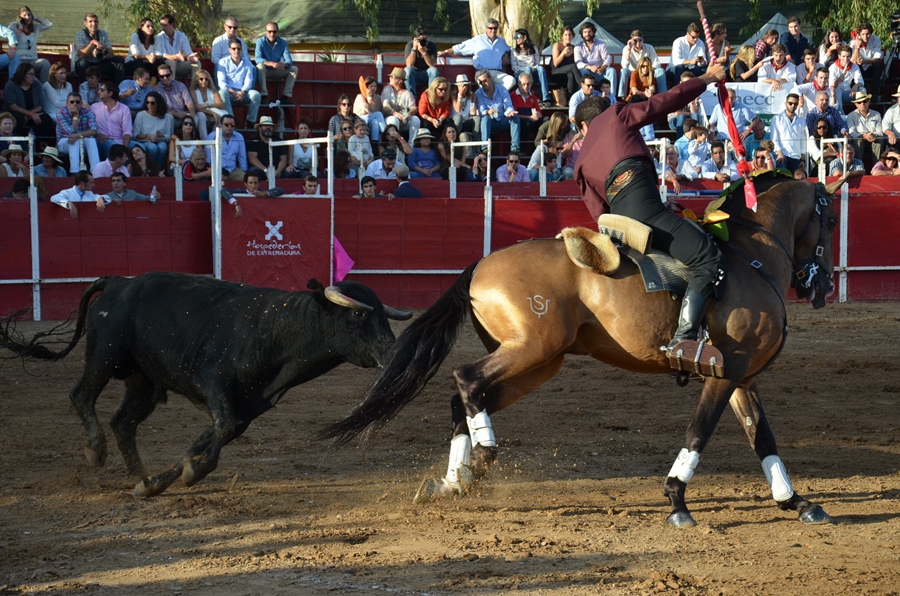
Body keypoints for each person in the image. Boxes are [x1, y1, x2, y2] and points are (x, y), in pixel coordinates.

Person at [574, 60, 728, 359]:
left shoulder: (580, 163)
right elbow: (662, 103)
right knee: (707, 257)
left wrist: (652, 207)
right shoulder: (615, 114)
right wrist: (706, 77)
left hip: (619, 221)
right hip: (643, 210)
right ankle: (684, 338)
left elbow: (599, 213)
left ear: (581, 126)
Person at [438, 19, 514, 90]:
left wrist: (507, 54)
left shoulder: (501, 41)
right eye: (490, 28)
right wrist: (445, 52)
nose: (493, 30)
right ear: (486, 28)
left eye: (495, 28)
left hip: (497, 73)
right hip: (482, 72)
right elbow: (460, 48)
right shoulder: (478, 40)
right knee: (486, 88)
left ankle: (497, 95)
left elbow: (509, 49)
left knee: (511, 80)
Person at [217, 41, 261, 128]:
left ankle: (250, 122)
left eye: (238, 48)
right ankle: (230, 121)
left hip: (243, 92)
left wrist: (242, 92)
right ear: (229, 50)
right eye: (234, 49)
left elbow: (249, 80)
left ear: (241, 50)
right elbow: (221, 82)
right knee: (222, 92)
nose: (236, 51)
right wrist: (232, 92)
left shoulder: (248, 63)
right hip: (229, 92)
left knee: (256, 94)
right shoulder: (222, 62)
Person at [3, 62, 53, 138]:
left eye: (34, 74)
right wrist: (30, 114)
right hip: (16, 113)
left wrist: (30, 115)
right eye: (31, 74)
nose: (33, 76)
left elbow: (40, 105)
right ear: (22, 75)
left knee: (46, 119)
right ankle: (16, 142)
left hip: (33, 114)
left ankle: (43, 144)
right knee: (18, 118)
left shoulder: (37, 85)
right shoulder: (11, 85)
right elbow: (13, 106)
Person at [476, 69, 521, 152]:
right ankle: (485, 147)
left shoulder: (502, 89)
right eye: (481, 82)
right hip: (490, 122)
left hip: (503, 119)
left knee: (515, 117)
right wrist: (487, 111)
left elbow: (508, 105)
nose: (483, 84)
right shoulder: (478, 93)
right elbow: (481, 110)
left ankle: (515, 148)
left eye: (485, 80)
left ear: (490, 78)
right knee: (485, 119)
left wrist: (510, 112)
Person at [56, 93, 100, 174]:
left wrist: (77, 135)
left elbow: (94, 130)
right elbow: (71, 132)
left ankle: (96, 171)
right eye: (72, 102)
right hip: (64, 142)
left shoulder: (88, 112)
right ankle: (75, 172)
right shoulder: (61, 113)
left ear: (81, 104)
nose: (75, 104)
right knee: (74, 141)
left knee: (91, 140)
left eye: (77, 102)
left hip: (81, 140)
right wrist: (76, 116)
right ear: (67, 103)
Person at [254, 22, 297, 104]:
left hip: (278, 70)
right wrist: (273, 64)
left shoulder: (283, 43)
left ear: (277, 32)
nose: (272, 34)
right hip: (265, 71)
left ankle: (285, 97)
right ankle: (264, 96)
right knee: (259, 66)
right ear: (266, 32)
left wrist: (285, 65)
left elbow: (289, 60)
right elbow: (258, 59)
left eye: (274, 31)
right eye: (269, 31)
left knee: (294, 69)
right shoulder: (260, 41)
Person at [74, 13, 123, 82]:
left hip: (99, 63)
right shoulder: (80, 34)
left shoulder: (103, 33)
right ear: (85, 23)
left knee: (119, 60)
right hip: (87, 63)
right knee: (83, 63)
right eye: (90, 21)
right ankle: (84, 88)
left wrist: (102, 55)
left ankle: (117, 87)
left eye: (95, 21)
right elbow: (81, 56)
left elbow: (111, 54)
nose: (94, 24)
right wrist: (92, 43)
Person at [91, 82, 132, 159]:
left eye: (102, 90)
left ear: (110, 93)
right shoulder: (94, 107)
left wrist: (124, 147)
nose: (99, 91)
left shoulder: (124, 109)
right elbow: (90, 126)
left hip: (120, 140)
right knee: (112, 146)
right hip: (101, 140)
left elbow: (127, 130)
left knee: (140, 147)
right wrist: (97, 134)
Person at [9, 7, 51, 83]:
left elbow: (49, 25)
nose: (27, 17)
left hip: (32, 60)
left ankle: (44, 87)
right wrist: (20, 28)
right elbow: (13, 40)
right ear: (19, 17)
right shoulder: (13, 26)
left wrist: (36, 17)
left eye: (29, 15)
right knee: (18, 68)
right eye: (24, 15)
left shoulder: (35, 28)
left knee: (45, 63)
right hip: (19, 60)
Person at [620, 30, 666, 98]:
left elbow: (657, 63)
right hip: (633, 72)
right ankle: (622, 97)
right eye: (635, 40)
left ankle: (663, 96)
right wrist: (629, 49)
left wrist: (647, 69)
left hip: (648, 71)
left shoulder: (649, 47)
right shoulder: (626, 49)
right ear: (631, 40)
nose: (638, 43)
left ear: (643, 40)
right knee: (623, 71)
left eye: (640, 40)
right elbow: (624, 65)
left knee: (660, 70)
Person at [511, 29, 550, 107]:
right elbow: (514, 66)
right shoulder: (514, 51)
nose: (516, 39)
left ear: (525, 37)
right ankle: (530, 96)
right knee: (527, 69)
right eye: (515, 37)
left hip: (532, 71)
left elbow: (537, 63)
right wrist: (525, 69)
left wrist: (533, 68)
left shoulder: (534, 48)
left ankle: (546, 98)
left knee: (541, 69)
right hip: (520, 74)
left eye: (518, 36)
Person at [133, 92, 174, 167]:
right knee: (152, 148)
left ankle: (160, 169)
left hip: (160, 140)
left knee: (163, 147)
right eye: (147, 102)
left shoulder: (168, 117)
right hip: (145, 141)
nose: (149, 105)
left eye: (152, 103)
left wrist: (161, 135)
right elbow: (135, 135)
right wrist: (148, 135)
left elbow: (169, 136)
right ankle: (151, 169)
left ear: (158, 104)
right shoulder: (140, 115)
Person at [155, 62, 198, 133]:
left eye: (167, 75)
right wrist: (176, 114)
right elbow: (159, 109)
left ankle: (192, 139)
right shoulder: (157, 90)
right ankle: (171, 140)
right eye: (162, 76)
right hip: (169, 116)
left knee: (196, 118)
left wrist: (190, 118)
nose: (165, 78)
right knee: (168, 117)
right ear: (159, 77)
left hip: (183, 115)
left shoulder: (181, 86)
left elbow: (189, 104)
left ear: (172, 75)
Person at [575, 22, 615, 93]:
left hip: (600, 71)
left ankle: (612, 96)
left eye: (589, 31)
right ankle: (586, 95)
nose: (587, 34)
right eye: (585, 32)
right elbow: (578, 63)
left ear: (593, 32)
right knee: (582, 71)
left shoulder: (601, 44)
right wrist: (590, 67)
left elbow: (607, 58)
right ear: (582, 34)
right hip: (587, 71)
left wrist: (602, 68)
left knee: (612, 71)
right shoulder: (578, 47)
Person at [157, 14, 200, 81]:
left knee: (196, 64)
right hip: (166, 67)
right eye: (161, 25)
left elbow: (188, 52)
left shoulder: (182, 36)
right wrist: (176, 56)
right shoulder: (159, 37)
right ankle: (172, 88)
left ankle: (193, 89)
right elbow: (163, 55)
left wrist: (191, 57)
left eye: (165, 25)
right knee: (170, 62)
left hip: (179, 66)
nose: (163, 28)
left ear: (172, 24)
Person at [382, 67, 420, 143]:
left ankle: (411, 144)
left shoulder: (407, 93)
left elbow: (414, 108)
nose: (390, 78)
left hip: (404, 121)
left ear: (400, 80)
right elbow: (385, 106)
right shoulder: (387, 89)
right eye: (390, 77)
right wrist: (396, 114)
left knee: (416, 119)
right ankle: (394, 144)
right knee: (394, 119)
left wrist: (408, 114)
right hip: (389, 120)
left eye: (393, 77)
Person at [771, 93, 807, 172]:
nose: (793, 105)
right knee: (781, 181)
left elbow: (803, 141)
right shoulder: (777, 118)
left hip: (796, 157)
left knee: (796, 183)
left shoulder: (801, 121)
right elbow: (774, 138)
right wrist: (780, 153)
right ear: (785, 103)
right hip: (782, 156)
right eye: (790, 103)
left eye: (795, 103)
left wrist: (803, 159)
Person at [204, 113, 247, 180]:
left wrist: (244, 170)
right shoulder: (211, 136)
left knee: (246, 179)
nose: (229, 127)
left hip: (233, 170)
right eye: (226, 125)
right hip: (216, 170)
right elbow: (208, 157)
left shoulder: (239, 136)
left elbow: (242, 157)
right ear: (221, 125)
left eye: (232, 125)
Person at [847, 91, 883, 166]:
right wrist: (864, 136)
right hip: (860, 138)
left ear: (869, 102)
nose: (862, 104)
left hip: (873, 137)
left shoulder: (877, 114)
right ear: (856, 104)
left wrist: (872, 135)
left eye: (865, 101)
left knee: (879, 140)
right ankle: (858, 166)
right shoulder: (851, 115)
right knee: (858, 141)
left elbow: (880, 131)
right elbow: (852, 132)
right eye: (859, 102)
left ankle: (877, 167)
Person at [550, 26, 582, 103]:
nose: (568, 37)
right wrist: (563, 53)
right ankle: (583, 86)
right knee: (572, 67)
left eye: (570, 34)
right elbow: (556, 64)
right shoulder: (557, 45)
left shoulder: (573, 48)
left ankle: (570, 99)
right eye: (566, 35)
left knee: (571, 73)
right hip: (556, 73)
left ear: (573, 36)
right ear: (562, 36)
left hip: (567, 74)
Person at [190, 69, 226, 135]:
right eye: (201, 79)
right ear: (196, 80)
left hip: (214, 113)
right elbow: (196, 108)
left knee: (221, 120)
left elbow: (221, 105)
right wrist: (212, 113)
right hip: (202, 114)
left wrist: (207, 105)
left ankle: (213, 138)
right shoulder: (193, 91)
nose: (204, 81)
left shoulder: (213, 91)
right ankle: (204, 139)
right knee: (201, 115)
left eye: (206, 79)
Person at [511, 71, 543, 146]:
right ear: (519, 84)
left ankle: (540, 146)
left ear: (531, 84)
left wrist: (538, 115)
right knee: (526, 124)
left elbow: (539, 112)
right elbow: (515, 114)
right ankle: (523, 148)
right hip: (522, 120)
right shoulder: (514, 95)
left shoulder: (533, 97)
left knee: (546, 121)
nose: (526, 87)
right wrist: (529, 117)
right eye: (523, 84)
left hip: (532, 119)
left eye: (528, 84)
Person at [829, 45, 863, 113]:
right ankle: (841, 115)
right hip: (837, 95)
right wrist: (838, 80)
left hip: (848, 93)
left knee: (862, 90)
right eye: (843, 56)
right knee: (837, 91)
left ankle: (861, 111)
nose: (846, 59)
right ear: (839, 56)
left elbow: (861, 81)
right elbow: (831, 87)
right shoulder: (833, 67)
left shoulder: (854, 66)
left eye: (848, 56)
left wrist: (855, 86)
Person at [354, 76, 387, 147]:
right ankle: (385, 133)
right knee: (378, 114)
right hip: (360, 120)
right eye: (371, 86)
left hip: (372, 120)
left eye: (375, 86)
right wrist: (369, 97)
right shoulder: (360, 96)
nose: (373, 88)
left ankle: (375, 144)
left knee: (375, 122)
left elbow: (379, 111)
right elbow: (368, 110)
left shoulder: (378, 97)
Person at [853, 22, 883, 97]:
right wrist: (857, 47)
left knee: (877, 65)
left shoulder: (876, 39)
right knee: (855, 66)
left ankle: (874, 94)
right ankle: (858, 94)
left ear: (871, 33)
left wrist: (865, 62)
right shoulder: (853, 42)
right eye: (863, 34)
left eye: (868, 34)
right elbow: (852, 61)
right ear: (859, 34)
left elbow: (878, 58)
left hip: (870, 67)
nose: (865, 37)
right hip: (859, 68)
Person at [450, 74, 480, 149]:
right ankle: (455, 142)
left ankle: (477, 145)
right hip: (455, 122)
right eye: (461, 85)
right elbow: (458, 109)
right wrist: (460, 95)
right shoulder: (453, 95)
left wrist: (474, 110)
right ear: (457, 86)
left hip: (466, 121)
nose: (463, 87)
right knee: (459, 117)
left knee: (477, 118)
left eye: (465, 85)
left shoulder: (472, 95)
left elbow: (473, 109)